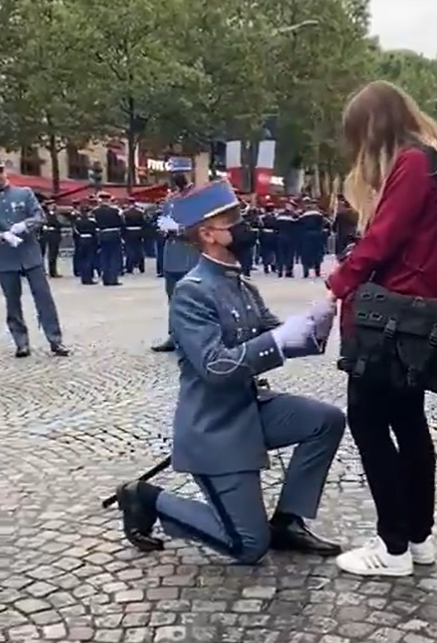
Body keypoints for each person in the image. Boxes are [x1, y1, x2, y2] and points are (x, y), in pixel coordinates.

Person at [110, 179, 345, 564]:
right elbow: (216, 367)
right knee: (249, 546)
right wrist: (280, 339)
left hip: (249, 408)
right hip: (214, 427)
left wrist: (316, 320)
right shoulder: (193, 291)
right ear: (207, 234)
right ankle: (146, 497)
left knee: (326, 421)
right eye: (232, 218)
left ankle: (287, 521)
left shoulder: (241, 284)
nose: (243, 224)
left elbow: (279, 337)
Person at [324, 80, 437, 576]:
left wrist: (340, 281)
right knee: (408, 422)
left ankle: (393, 546)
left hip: (393, 318)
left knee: (367, 419)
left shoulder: (410, 162)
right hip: (419, 315)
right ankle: (418, 539)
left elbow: (382, 239)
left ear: (373, 128)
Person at [0, 162, 70, 357]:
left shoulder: (24, 193)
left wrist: (25, 225)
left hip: (30, 254)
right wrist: (2, 235)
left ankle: (55, 340)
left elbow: (39, 216)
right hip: (4, 257)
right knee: (12, 302)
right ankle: (21, 342)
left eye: (0, 171)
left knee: (44, 298)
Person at [151, 172, 199, 352]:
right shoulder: (170, 200)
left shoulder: (198, 201)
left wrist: (180, 231)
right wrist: (164, 228)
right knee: (173, 298)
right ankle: (174, 335)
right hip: (171, 255)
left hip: (190, 254)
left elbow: (202, 228)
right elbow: (163, 221)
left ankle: (193, 338)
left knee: (192, 299)